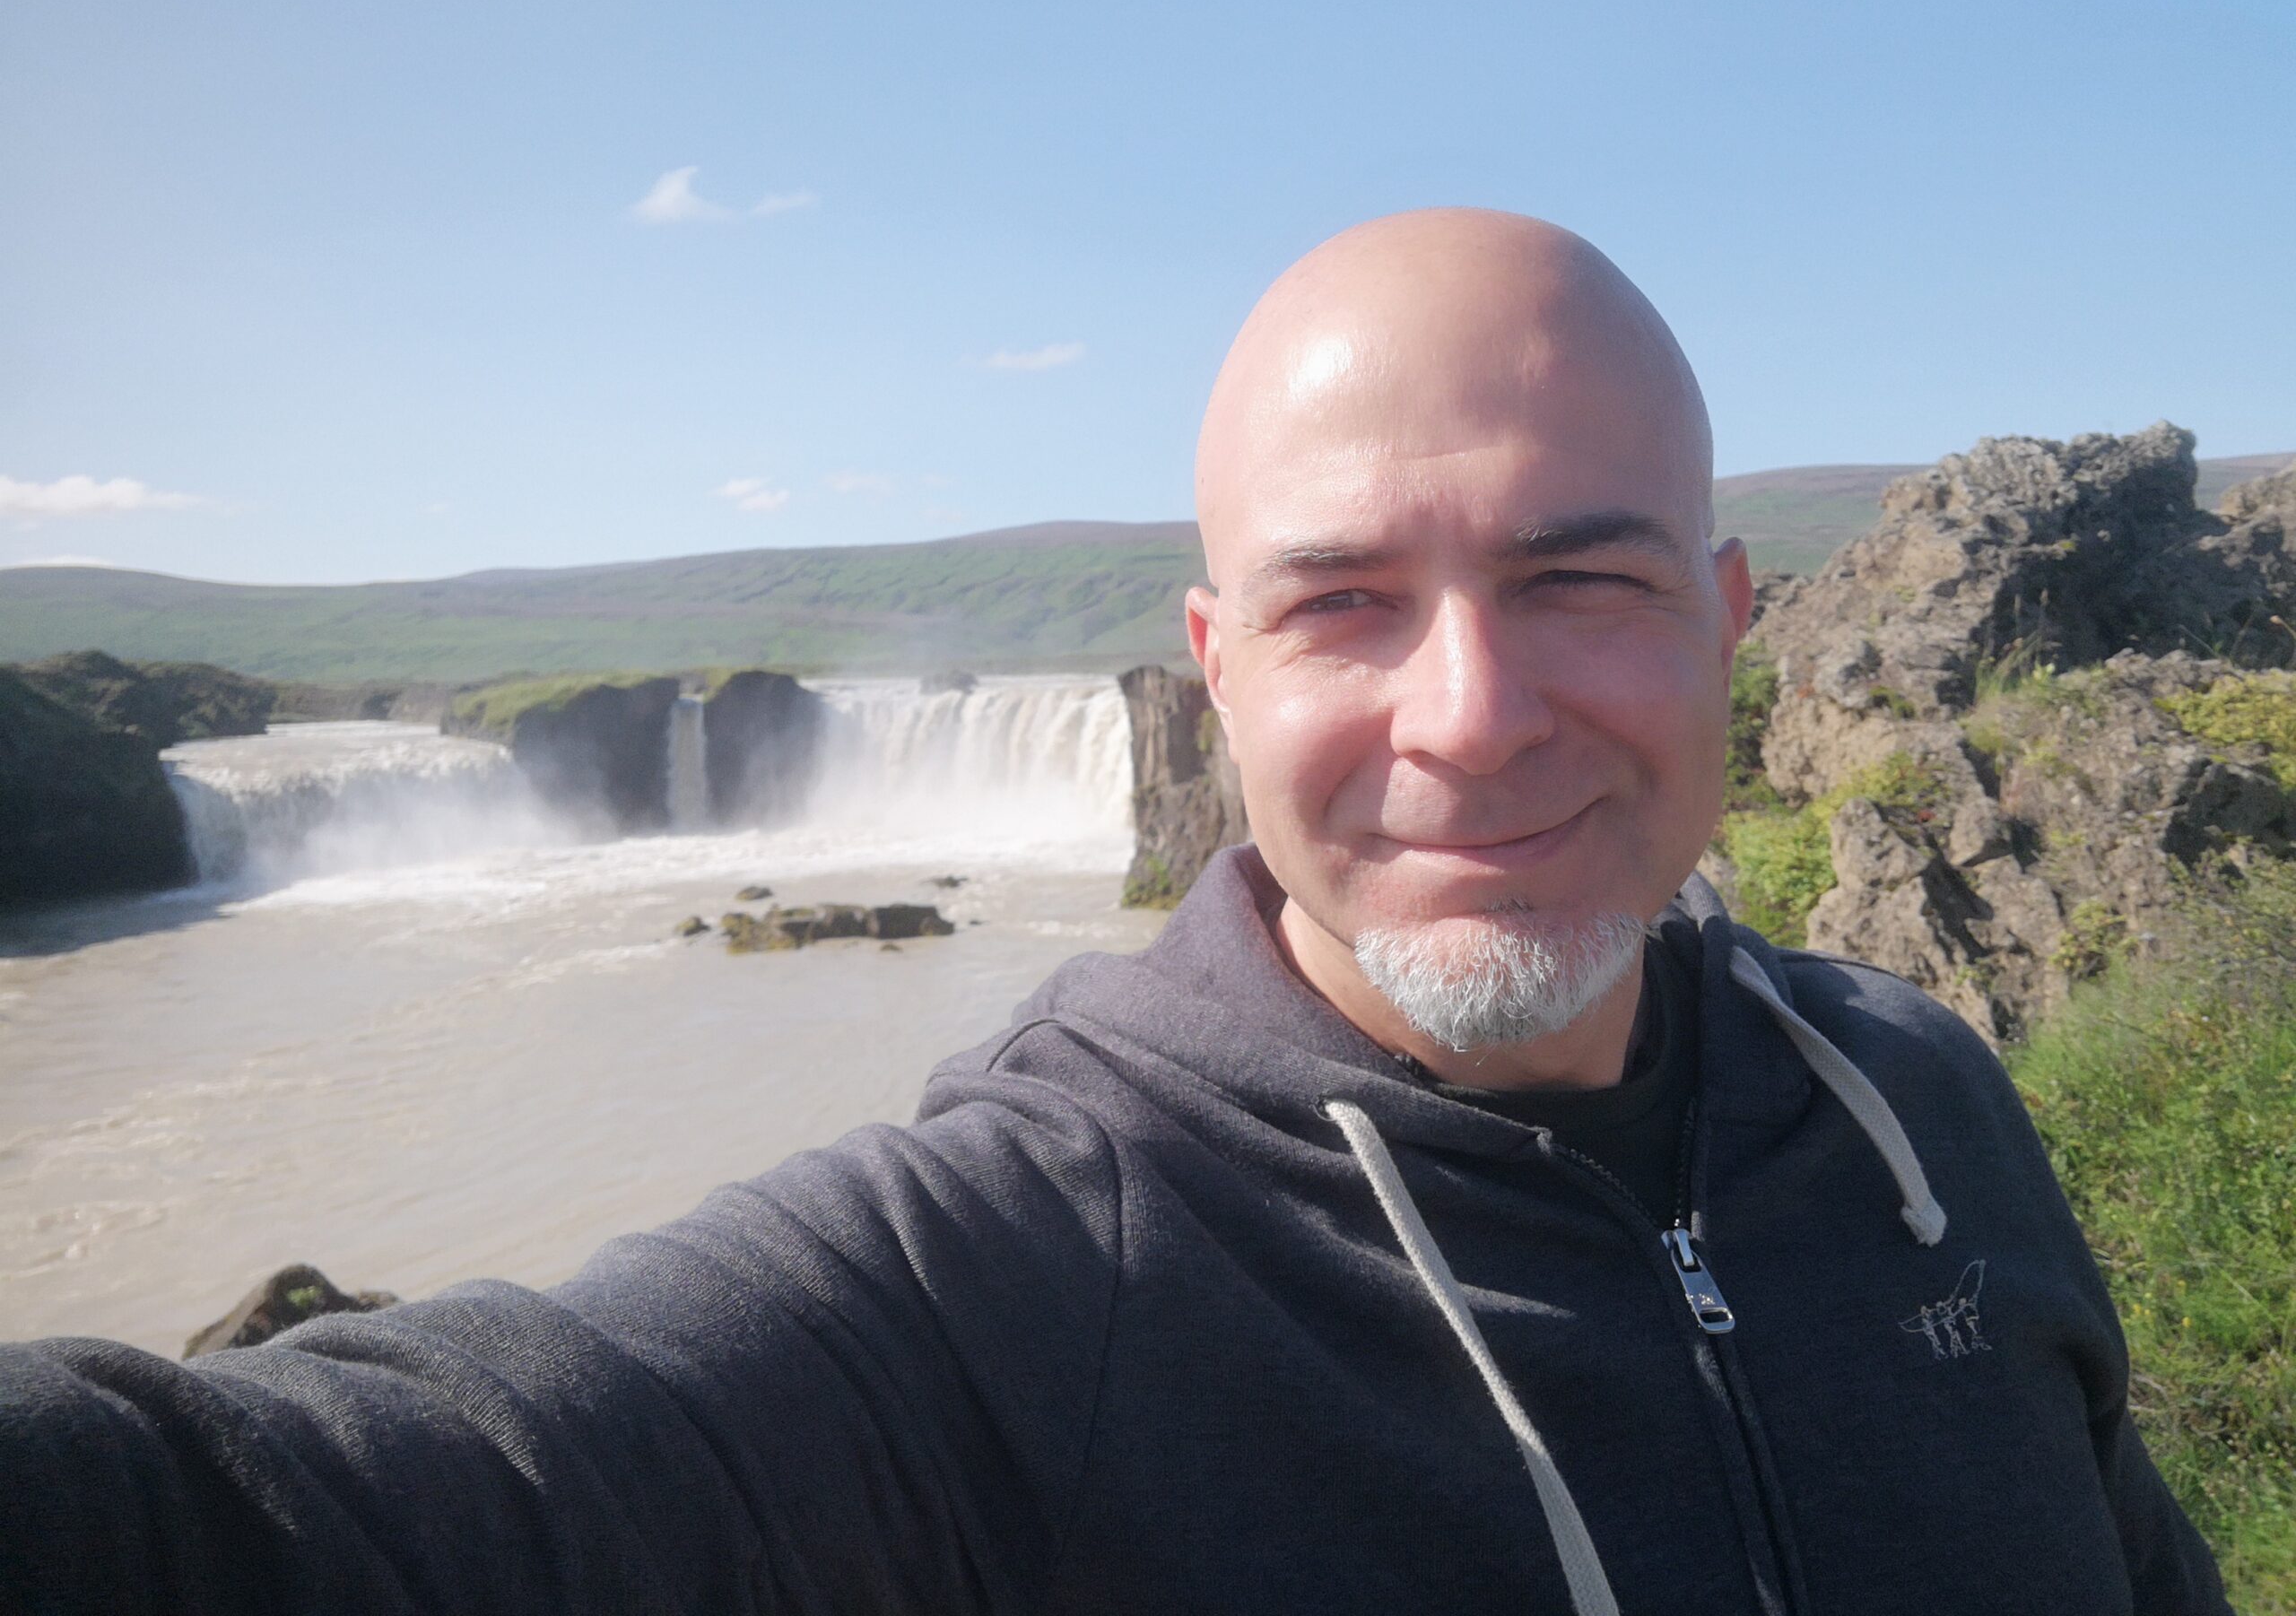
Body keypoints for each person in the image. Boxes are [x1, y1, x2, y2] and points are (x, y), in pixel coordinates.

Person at [1, 210, 2227, 1614]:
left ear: (1728, 623)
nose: (1469, 715)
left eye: (1580, 578)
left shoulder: (1911, 1099)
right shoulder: (1018, 1265)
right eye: (1339, 602)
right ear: (1214, 672)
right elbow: (316, 1508)